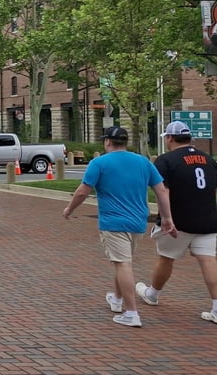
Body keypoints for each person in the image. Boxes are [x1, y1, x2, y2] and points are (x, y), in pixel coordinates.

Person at [62, 125, 174, 328]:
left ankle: (131, 313)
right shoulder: (143, 161)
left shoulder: (99, 163)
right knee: (123, 261)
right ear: (125, 142)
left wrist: (70, 209)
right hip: (138, 222)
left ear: (107, 141)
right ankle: (116, 298)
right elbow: (161, 190)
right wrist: (166, 217)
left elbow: (82, 192)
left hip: (113, 222)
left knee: (123, 264)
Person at [134, 120, 217, 324]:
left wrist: (166, 218)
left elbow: (163, 191)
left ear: (170, 138)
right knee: (208, 260)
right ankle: (216, 307)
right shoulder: (208, 159)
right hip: (208, 219)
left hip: (178, 220)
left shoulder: (166, 161)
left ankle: (153, 294)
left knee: (166, 257)